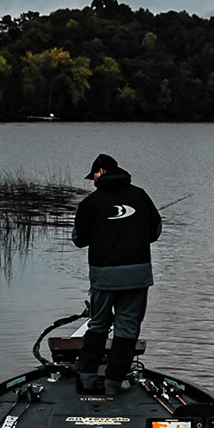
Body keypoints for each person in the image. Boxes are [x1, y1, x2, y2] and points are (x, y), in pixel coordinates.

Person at [72, 153, 162, 397]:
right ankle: (114, 382)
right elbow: (156, 230)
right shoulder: (141, 196)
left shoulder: (90, 203)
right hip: (137, 274)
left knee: (98, 324)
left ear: (101, 171)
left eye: (94, 176)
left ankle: (88, 379)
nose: (92, 181)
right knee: (127, 328)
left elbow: (79, 240)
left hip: (104, 276)